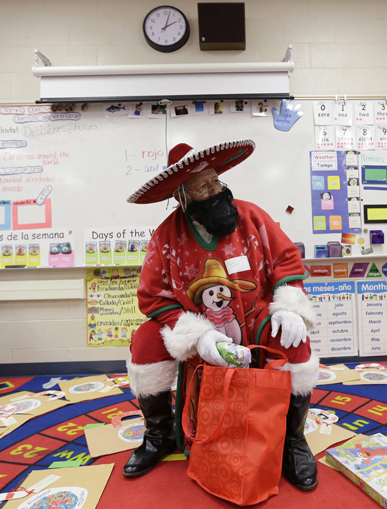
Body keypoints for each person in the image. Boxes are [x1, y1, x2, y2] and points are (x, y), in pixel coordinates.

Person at [124, 140, 319, 490]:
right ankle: (160, 435)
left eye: (216, 181)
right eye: (204, 186)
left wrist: (290, 304)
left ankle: (293, 441)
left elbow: (287, 260)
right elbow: (153, 296)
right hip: (197, 326)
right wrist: (197, 334)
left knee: (295, 339)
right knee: (144, 342)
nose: (216, 190)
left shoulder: (251, 215)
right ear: (183, 197)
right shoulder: (166, 235)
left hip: (254, 316)